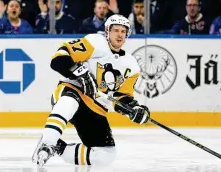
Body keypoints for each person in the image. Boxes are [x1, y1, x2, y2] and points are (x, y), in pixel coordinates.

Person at [32, 14, 150, 168]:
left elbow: (122, 97)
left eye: (123, 31)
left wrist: (134, 109)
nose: (120, 34)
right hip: (72, 91)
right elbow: (58, 58)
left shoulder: (131, 65)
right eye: (116, 30)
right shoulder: (95, 42)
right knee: (69, 102)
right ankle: (48, 143)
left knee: (106, 155)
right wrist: (80, 72)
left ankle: (58, 147)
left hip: (95, 108)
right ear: (107, 31)